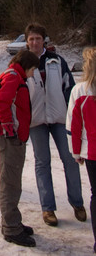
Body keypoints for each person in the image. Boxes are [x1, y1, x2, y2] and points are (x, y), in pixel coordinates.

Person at [25, 22, 86, 226]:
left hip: (59, 117)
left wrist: (74, 117)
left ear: (44, 41)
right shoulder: (21, 64)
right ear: (27, 42)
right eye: (31, 39)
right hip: (36, 121)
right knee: (42, 163)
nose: (34, 42)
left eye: (38, 39)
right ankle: (48, 208)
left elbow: (70, 89)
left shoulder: (56, 61)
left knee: (70, 159)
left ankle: (77, 202)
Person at [0, 49, 40, 247]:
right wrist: (9, 128)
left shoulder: (14, 75)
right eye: (33, 70)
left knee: (12, 181)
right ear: (27, 66)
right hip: (10, 139)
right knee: (10, 183)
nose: (33, 74)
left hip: (14, 137)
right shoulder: (14, 77)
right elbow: (0, 102)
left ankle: (13, 221)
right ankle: (11, 227)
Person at [66, 46, 96, 254]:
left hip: (92, 151)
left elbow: (73, 127)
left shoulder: (80, 90)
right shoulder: (81, 91)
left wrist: (76, 153)